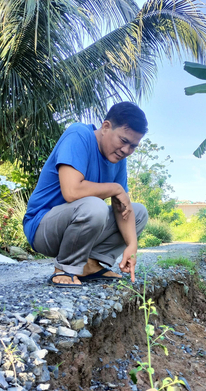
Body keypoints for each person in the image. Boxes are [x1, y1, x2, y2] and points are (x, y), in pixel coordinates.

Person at [23, 102, 148, 287]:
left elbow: (122, 207)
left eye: (133, 146)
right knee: (94, 206)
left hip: (78, 226)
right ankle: (66, 268)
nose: (126, 151)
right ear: (106, 127)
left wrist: (132, 245)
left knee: (138, 213)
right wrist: (115, 189)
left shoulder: (118, 160)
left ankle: (89, 264)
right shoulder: (79, 135)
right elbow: (72, 192)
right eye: (123, 141)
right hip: (42, 228)